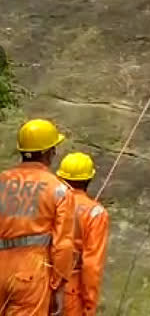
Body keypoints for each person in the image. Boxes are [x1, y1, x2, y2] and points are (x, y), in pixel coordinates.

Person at [0, 119, 75, 315]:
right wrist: (58, 287)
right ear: (47, 152)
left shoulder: (2, 181)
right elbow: (63, 245)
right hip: (30, 273)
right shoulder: (58, 189)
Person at [57, 152, 109, 316]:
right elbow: (91, 265)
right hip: (71, 290)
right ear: (89, 178)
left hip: (40, 284)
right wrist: (89, 303)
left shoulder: (50, 202)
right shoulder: (95, 212)